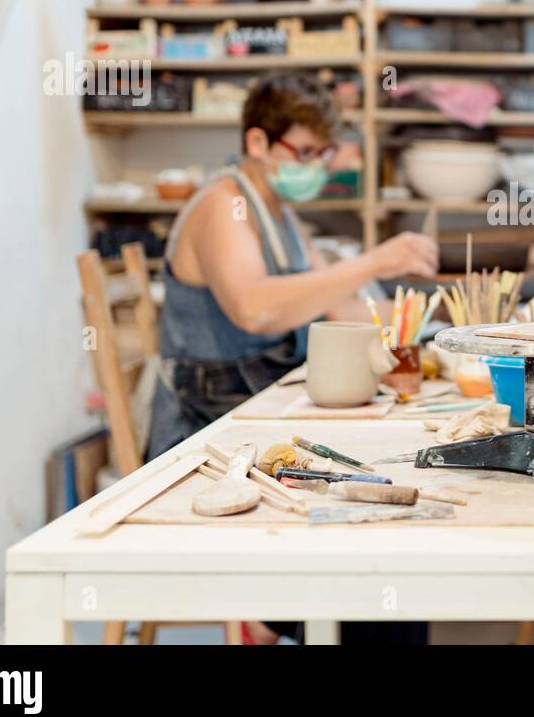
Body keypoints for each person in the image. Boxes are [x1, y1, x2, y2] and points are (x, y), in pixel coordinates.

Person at [148, 73, 437, 461]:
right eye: (305, 153)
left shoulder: (282, 214)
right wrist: (373, 262)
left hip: (259, 396)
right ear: (258, 142)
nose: (316, 167)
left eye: (323, 154)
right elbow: (254, 309)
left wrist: (434, 316)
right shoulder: (223, 204)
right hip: (206, 419)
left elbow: (339, 310)